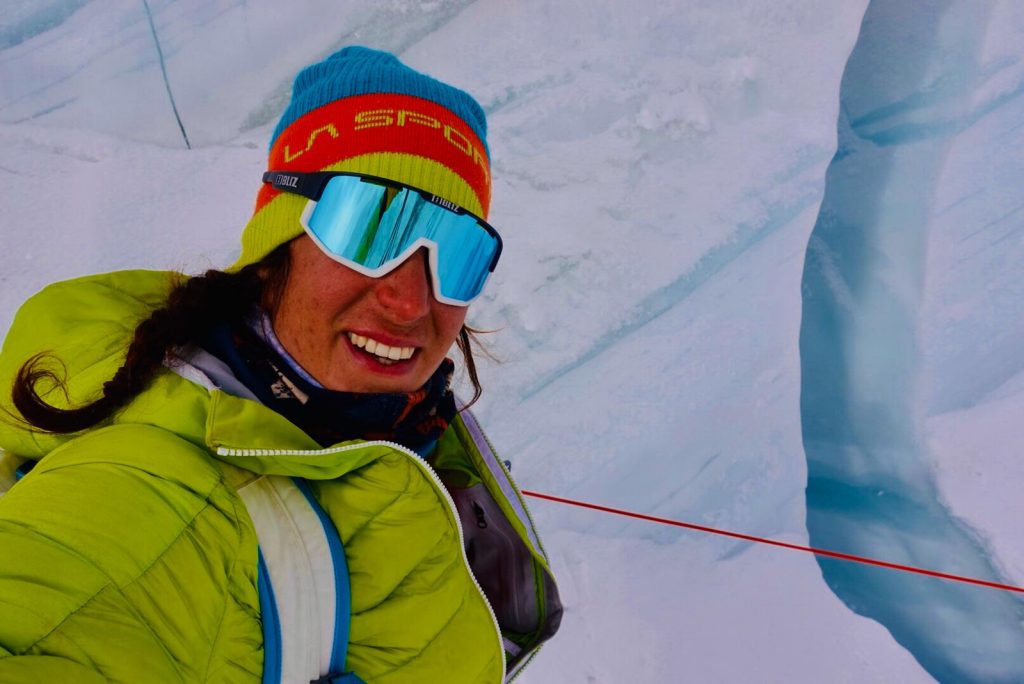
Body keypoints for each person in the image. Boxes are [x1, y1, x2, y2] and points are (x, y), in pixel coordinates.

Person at [0, 46, 561, 683]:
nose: (409, 301)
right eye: (368, 229)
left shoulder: (411, 434)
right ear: (276, 245)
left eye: (458, 252)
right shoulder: (154, 493)